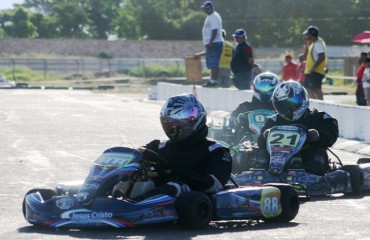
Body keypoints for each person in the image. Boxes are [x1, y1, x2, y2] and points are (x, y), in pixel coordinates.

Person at [140, 93, 232, 199]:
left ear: (194, 119)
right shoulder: (159, 147)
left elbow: (214, 184)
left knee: (176, 187)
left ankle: (134, 207)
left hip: (193, 199)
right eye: (168, 122)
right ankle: (121, 201)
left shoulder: (216, 151)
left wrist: (175, 173)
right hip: (157, 190)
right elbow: (136, 156)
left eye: (177, 122)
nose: (172, 127)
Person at [257, 81, 339, 176]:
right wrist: (265, 135)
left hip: (306, 155)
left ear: (303, 99)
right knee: (261, 156)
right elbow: (260, 143)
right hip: (275, 157)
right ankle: (257, 175)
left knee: (317, 156)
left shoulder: (319, 118)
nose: (288, 109)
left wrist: (317, 136)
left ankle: (310, 178)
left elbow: (331, 135)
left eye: (293, 102)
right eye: (283, 105)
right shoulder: (274, 120)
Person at [229, 72, 281, 142]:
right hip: (249, 141)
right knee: (243, 129)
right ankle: (241, 151)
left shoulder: (280, 107)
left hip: (275, 139)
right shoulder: (245, 106)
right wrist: (239, 120)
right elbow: (231, 122)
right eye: (262, 88)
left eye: (269, 89)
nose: (265, 92)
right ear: (255, 87)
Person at [197, 1, 224, 87]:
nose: (205, 10)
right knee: (212, 63)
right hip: (213, 43)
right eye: (204, 8)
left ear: (212, 8)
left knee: (213, 63)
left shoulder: (213, 16)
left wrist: (211, 41)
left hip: (214, 43)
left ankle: (213, 81)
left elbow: (214, 30)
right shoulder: (211, 16)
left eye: (207, 8)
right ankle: (212, 80)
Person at [303, 25, 327, 100]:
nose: (306, 36)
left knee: (316, 89)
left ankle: (320, 104)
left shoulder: (318, 44)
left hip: (315, 71)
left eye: (307, 34)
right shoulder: (313, 43)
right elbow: (305, 56)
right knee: (308, 89)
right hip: (310, 71)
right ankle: (315, 103)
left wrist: (314, 67)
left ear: (311, 35)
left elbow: (322, 56)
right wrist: (307, 43)